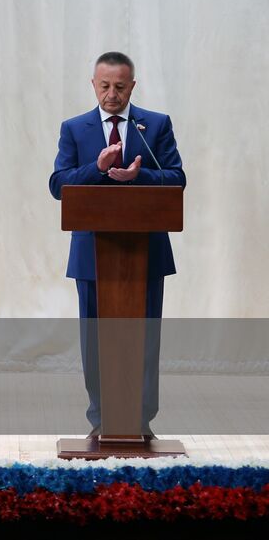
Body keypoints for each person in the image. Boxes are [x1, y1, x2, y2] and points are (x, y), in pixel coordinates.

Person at [48, 51, 185, 436]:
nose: (112, 94)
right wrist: (100, 169)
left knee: (144, 339)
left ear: (132, 86)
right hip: (93, 254)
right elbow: (59, 185)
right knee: (96, 342)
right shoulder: (75, 129)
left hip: (146, 253)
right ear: (93, 84)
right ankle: (101, 420)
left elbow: (177, 178)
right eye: (104, 86)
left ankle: (140, 421)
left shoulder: (154, 126)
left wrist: (138, 178)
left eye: (120, 87)